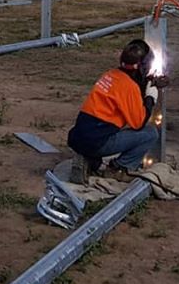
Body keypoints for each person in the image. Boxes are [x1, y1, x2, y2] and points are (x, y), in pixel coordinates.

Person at [67, 39, 168, 180]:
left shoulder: (110, 75)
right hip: (97, 142)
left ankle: (90, 159)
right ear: (142, 67)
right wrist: (151, 97)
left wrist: (147, 82)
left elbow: (128, 87)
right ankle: (120, 168)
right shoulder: (129, 87)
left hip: (79, 137)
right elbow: (138, 123)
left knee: (104, 132)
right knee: (150, 133)